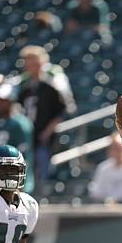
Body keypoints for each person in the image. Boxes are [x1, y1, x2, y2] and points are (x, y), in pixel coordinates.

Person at [17, 46, 75, 182]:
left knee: (42, 170)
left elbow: (62, 110)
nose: (30, 66)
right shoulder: (25, 86)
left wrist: (47, 132)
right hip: (27, 135)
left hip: (44, 136)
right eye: (28, 63)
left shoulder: (51, 85)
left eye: (34, 63)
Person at [0, 84, 35, 194]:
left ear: (11, 101)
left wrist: (20, 183)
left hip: (11, 180)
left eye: (3, 100)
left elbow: (24, 157)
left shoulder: (20, 124)